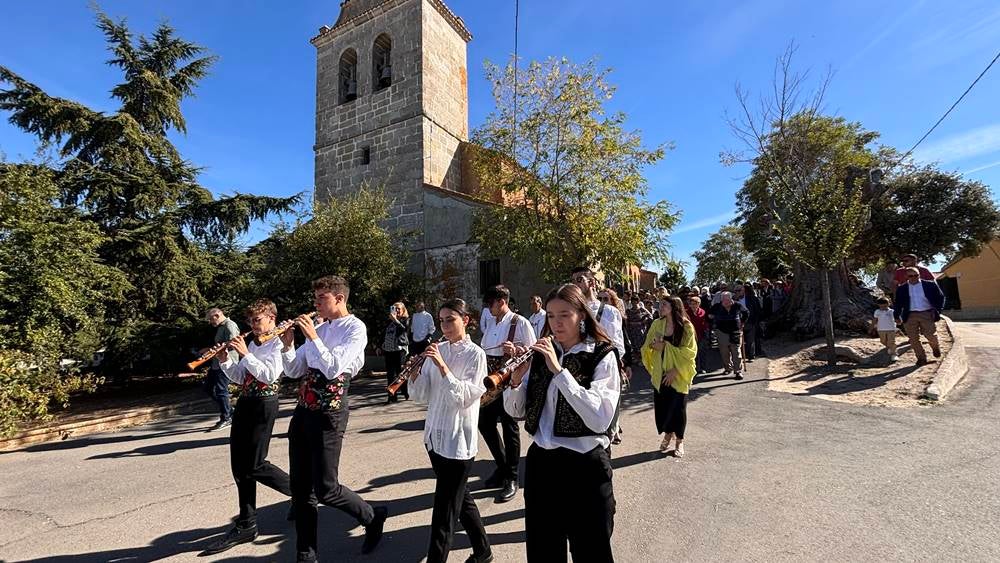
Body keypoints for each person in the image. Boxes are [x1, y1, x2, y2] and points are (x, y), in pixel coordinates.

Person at [503, 284, 620, 562]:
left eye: (564, 315)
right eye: (551, 316)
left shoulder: (602, 354)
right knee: (543, 551)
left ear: (581, 315)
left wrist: (559, 370)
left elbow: (599, 417)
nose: (556, 323)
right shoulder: (541, 353)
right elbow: (516, 411)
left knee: (592, 551)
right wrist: (517, 380)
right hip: (543, 465)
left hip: (586, 467)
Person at [280, 276, 387, 561]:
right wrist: (289, 344)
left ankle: (372, 516)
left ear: (339, 299)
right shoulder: (319, 327)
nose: (315, 304)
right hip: (304, 410)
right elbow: (293, 370)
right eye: (315, 299)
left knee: (326, 489)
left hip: (330, 411)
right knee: (301, 489)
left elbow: (333, 368)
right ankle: (306, 553)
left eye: (321, 299)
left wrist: (313, 337)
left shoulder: (355, 328)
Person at [203, 299, 293, 555]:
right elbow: (242, 377)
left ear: (272, 318)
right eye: (251, 321)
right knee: (240, 468)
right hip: (245, 401)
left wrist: (245, 353)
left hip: (265, 403)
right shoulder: (254, 342)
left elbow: (269, 375)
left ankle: (302, 492)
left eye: (258, 320)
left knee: (255, 464)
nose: (253, 325)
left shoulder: (278, 342)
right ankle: (247, 523)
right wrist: (225, 360)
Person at [408, 299, 493, 563]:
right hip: (435, 437)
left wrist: (443, 367)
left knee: (444, 511)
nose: (444, 326)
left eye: (450, 320)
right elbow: (422, 396)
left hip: (458, 441)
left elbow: (466, 398)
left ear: (465, 320)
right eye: (441, 320)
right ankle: (483, 551)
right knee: (460, 498)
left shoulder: (476, 354)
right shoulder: (438, 349)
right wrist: (414, 374)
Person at [478, 284, 536, 503]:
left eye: (490, 303)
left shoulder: (520, 323)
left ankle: (512, 477)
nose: (488, 308)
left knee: (509, 429)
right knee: (484, 423)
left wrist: (517, 352)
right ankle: (502, 467)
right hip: (492, 381)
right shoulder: (491, 323)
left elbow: (532, 353)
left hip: (510, 380)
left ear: (502, 301)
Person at [641, 296, 696, 457]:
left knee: (679, 409)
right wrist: (653, 346)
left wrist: (675, 370)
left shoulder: (686, 327)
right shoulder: (657, 324)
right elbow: (647, 345)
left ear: (674, 307)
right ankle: (668, 433)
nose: (660, 306)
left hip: (678, 374)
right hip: (661, 373)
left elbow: (690, 353)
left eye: (664, 304)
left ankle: (679, 441)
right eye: (660, 304)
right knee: (663, 407)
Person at [893, 267, 945, 366]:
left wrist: (938, 310)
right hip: (909, 315)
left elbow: (940, 297)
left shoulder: (930, 285)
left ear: (919, 275)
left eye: (916, 275)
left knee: (931, 335)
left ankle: (935, 347)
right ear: (906, 277)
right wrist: (896, 316)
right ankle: (921, 358)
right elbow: (898, 303)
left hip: (926, 313)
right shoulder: (902, 288)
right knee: (913, 339)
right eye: (910, 276)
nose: (913, 277)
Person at [203, 307, 240, 431]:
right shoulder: (221, 327)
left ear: (218, 315)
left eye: (210, 319)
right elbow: (221, 344)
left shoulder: (230, 325)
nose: (210, 322)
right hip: (216, 364)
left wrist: (215, 351)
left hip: (226, 363)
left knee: (221, 389)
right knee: (208, 388)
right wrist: (210, 350)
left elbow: (234, 344)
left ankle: (226, 417)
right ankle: (229, 410)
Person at [709, 292, 749, 379]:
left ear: (731, 299)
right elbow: (709, 315)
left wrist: (742, 322)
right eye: (724, 300)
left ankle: (738, 371)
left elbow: (746, 312)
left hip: (735, 331)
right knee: (724, 352)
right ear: (721, 299)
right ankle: (728, 368)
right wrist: (713, 322)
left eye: (727, 299)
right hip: (721, 331)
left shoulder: (737, 305)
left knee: (736, 351)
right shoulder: (717, 306)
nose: (726, 302)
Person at [383, 302, 410, 403]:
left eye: (399, 309)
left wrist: (395, 320)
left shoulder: (405, 320)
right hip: (389, 350)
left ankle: (405, 391)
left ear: (403, 310)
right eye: (395, 308)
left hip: (399, 350)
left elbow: (404, 330)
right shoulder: (389, 321)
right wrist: (379, 345)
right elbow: (384, 333)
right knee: (390, 374)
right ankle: (391, 396)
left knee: (400, 373)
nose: (397, 310)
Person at [686, 296, 710, 374]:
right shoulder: (686, 313)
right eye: (691, 304)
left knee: (702, 352)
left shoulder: (703, 312)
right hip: (690, 336)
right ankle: (694, 368)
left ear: (698, 304)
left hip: (701, 335)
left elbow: (706, 322)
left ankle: (703, 368)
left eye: (695, 304)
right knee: (693, 353)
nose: (693, 306)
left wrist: (706, 332)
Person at [873, 297, 899, 362]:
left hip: (891, 329)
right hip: (881, 329)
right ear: (878, 305)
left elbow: (897, 318)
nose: (883, 307)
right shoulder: (877, 311)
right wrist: (871, 327)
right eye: (881, 306)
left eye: (885, 306)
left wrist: (899, 321)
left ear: (888, 304)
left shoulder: (892, 311)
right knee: (883, 341)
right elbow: (875, 319)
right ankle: (889, 348)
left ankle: (894, 354)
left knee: (891, 341)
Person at [742, 284, 764, 361]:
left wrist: (756, 320)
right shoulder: (737, 299)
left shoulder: (753, 299)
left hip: (751, 321)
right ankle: (748, 354)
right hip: (742, 322)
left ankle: (751, 355)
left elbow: (757, 310)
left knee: (751, 339)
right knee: (747, 339)